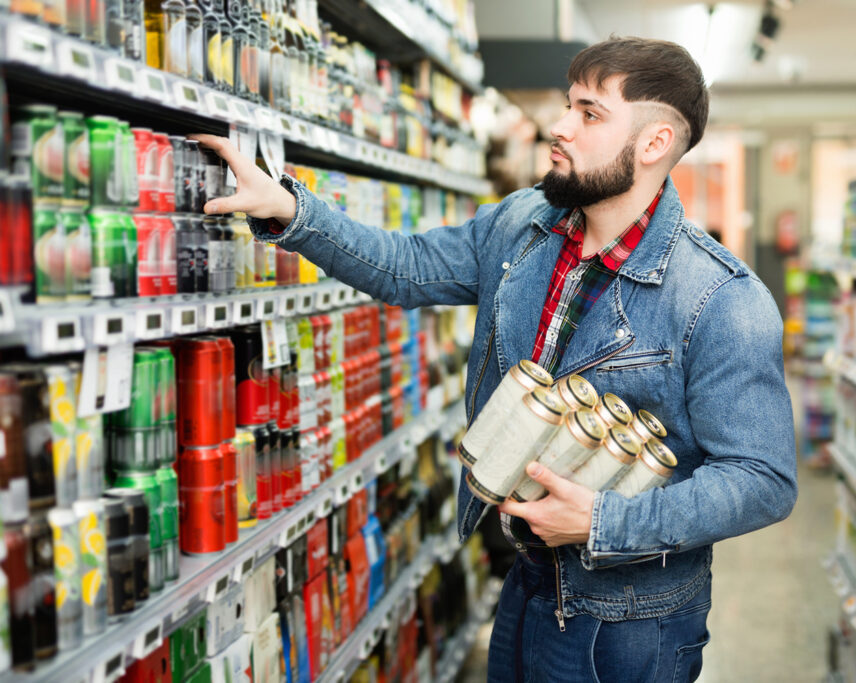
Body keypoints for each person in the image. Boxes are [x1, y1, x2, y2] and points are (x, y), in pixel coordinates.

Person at [193, 35, 797, 683]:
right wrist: (291, 209)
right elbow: (408, 266)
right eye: (568, 105)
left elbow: (762, 477)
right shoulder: (525, 224)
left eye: (589, 114)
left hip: (629, 618)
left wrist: (603, 521)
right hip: (526, 576)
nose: (558, 127)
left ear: (653, 144)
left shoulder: (721, 298)